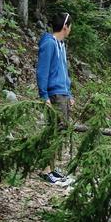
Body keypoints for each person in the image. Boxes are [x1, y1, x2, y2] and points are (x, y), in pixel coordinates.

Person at [37, 12, 75, 185]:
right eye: (70, 26)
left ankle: (51, 168)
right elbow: (42, 71)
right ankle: (45, 170)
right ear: (65, 27)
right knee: (52, 132)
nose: (70, 30)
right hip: (54, 94)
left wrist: (69, 94)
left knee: (60, 132)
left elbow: (64, 72)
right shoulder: (49, 43)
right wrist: (44, 95)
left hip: (63, 93)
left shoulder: (61, 45)